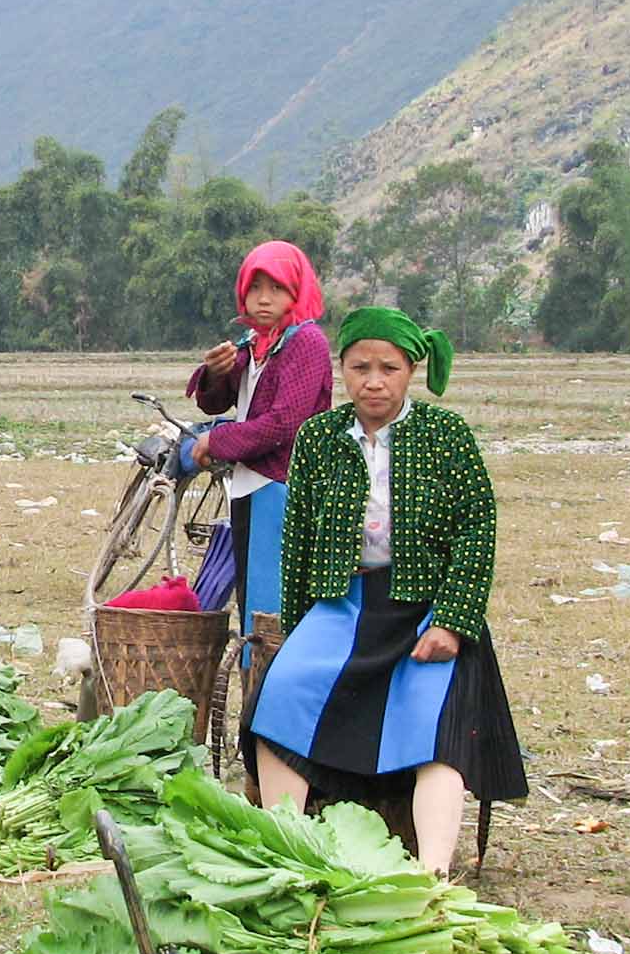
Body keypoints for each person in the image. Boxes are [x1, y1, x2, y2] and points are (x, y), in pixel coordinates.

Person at [239, 306, 528, 877]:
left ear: (410, 371)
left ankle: (434, 874)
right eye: (360, 367)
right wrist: (298, 633)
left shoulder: (445, 434)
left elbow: (478, 526)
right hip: (342, 605)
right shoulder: (319, 437)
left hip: (425, 609)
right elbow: (297, 537)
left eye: (389, 368)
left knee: (433, 728)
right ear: (341, 369)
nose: (374, 380)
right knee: (280, 701)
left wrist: (453, 620)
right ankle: (286, 854)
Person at [185, 241, 332, 655]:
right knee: (253, 604)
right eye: (255, 288)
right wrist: (215, 374)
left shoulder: (306, 342)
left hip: (283, 487)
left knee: (272, 606)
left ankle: (268, 698)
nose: (263, 299)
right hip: (250, 487)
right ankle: (254, 693)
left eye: (277, 288)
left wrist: (218, 439)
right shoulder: (254, 342)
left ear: (297, 292)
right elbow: (216, 401)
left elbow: (286, 423)